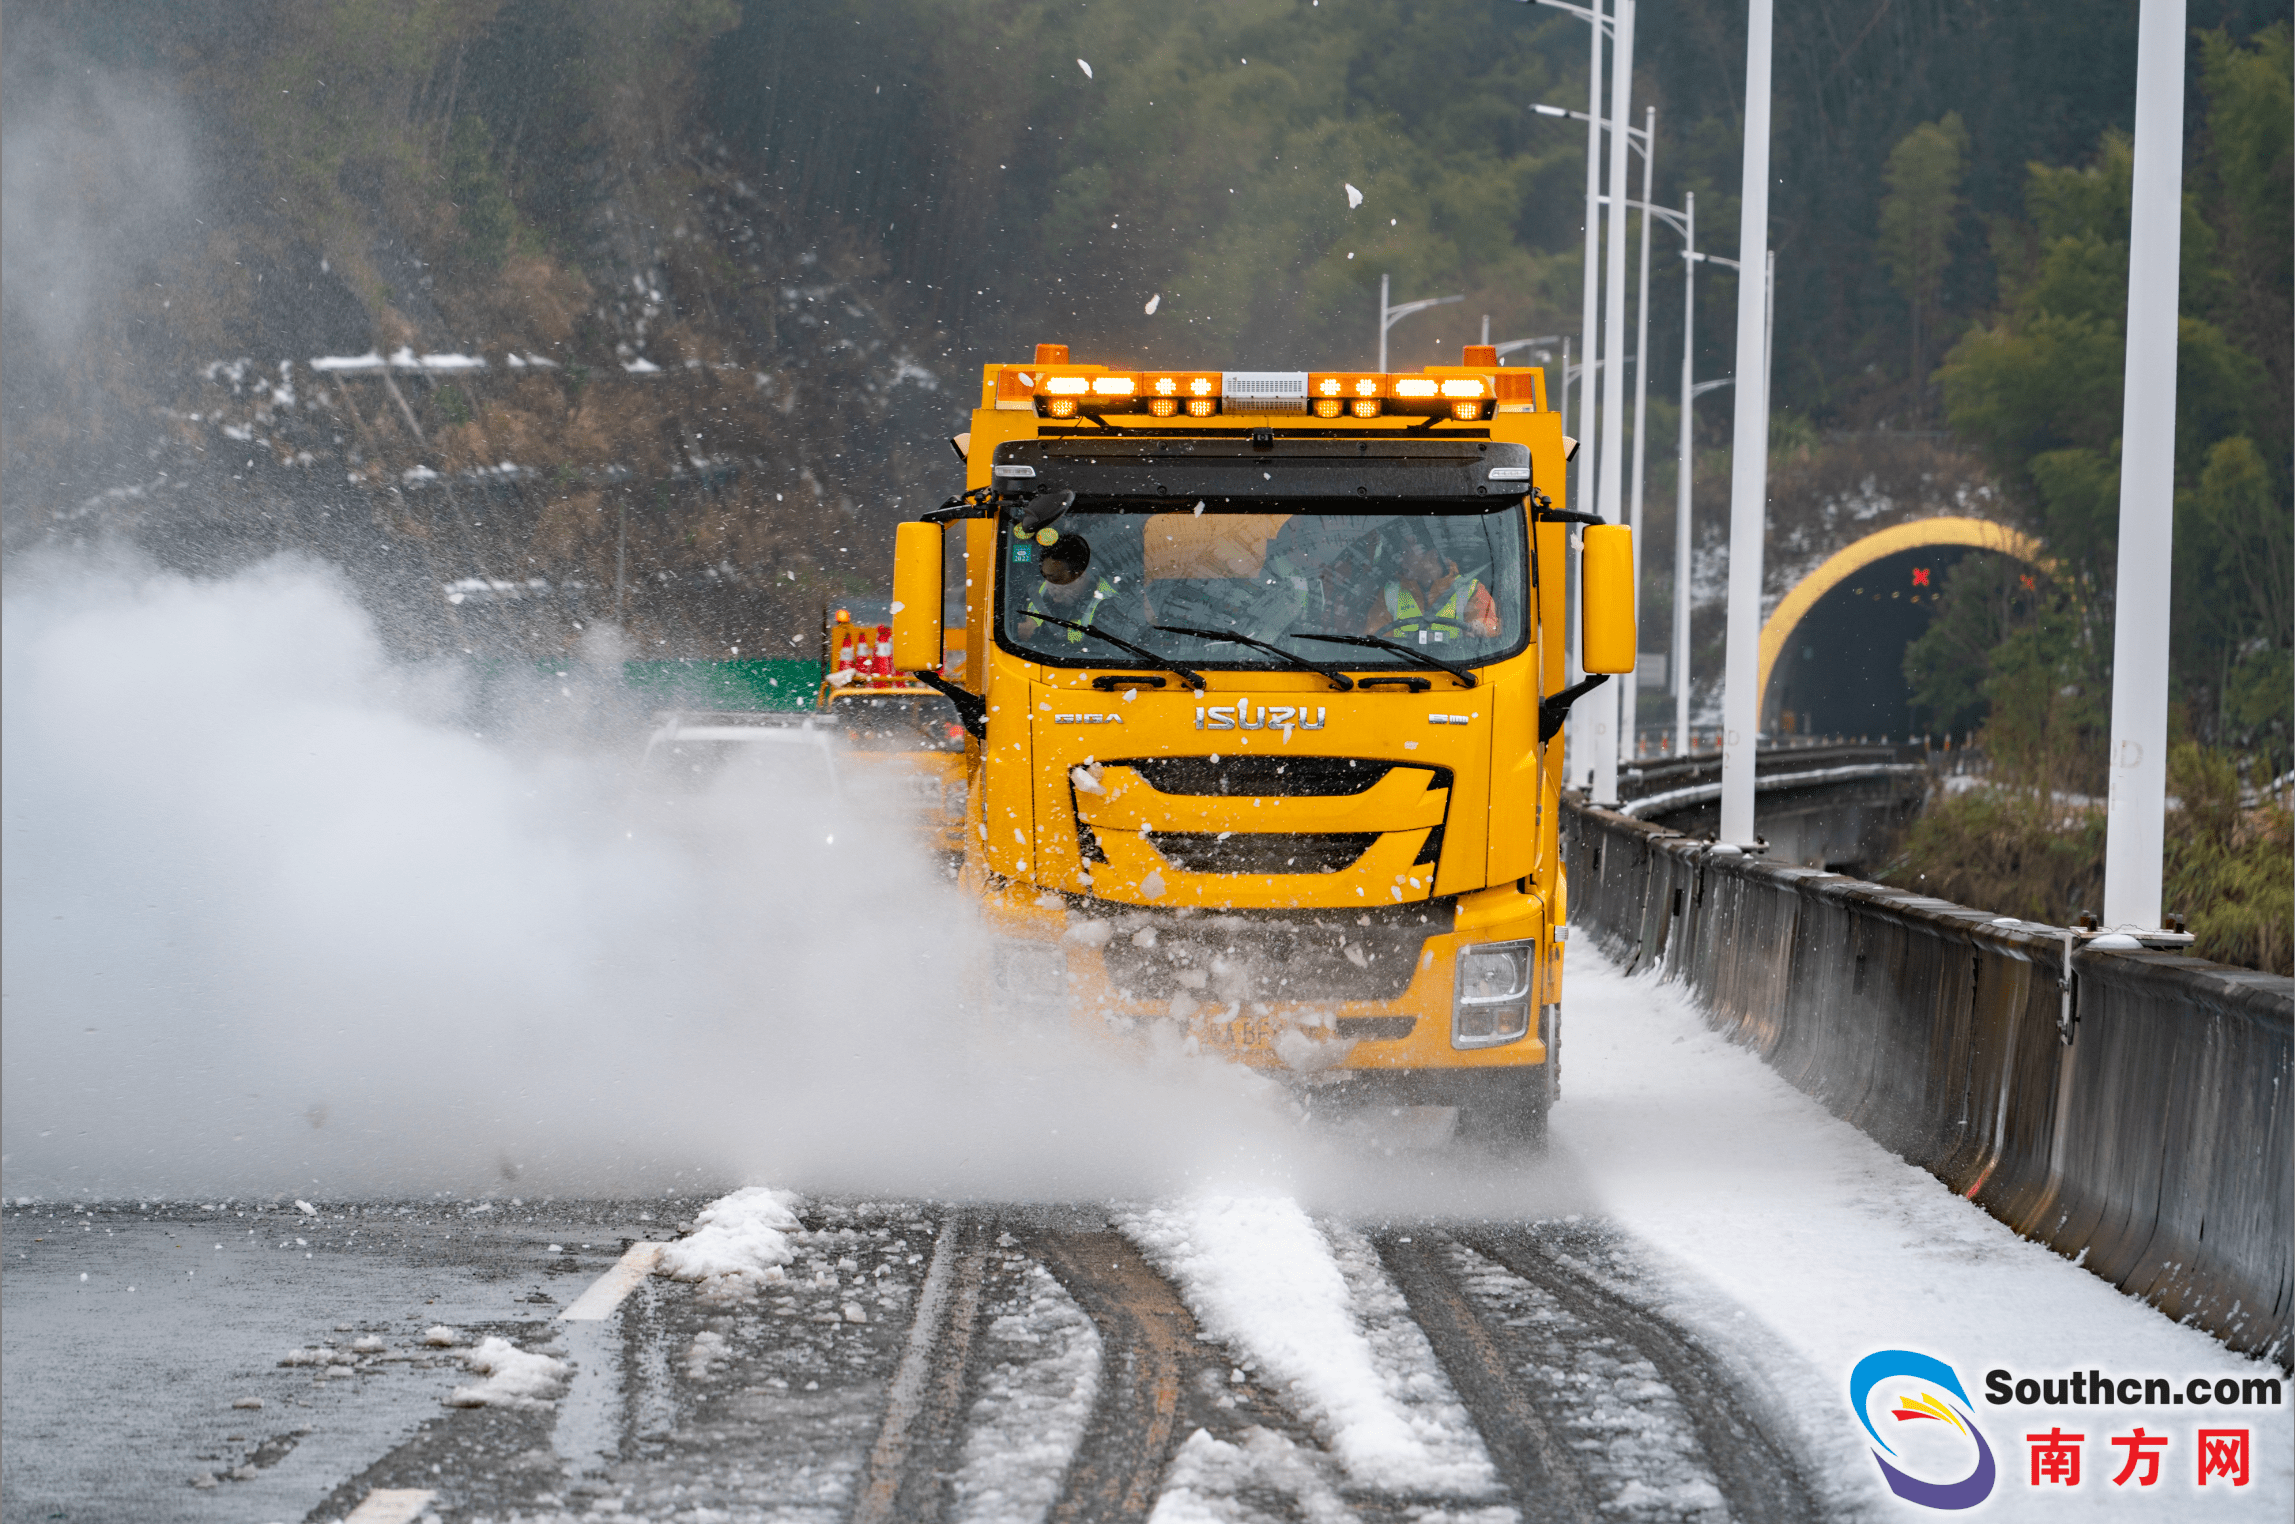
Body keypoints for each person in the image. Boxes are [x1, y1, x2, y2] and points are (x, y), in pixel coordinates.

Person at [1373, 527, 1498, 643]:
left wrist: (1479, 627)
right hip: (1400, 665)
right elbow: (1373, 645)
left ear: (1432, 555)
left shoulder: (1472, 589)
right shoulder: (1389, 594)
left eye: (1406, 552)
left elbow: (1488, 624)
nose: (1401, 559)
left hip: (1458, 664)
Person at [1016, 531, 1129, 646]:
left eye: (1054, 578)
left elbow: (1095, 655)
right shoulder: (1048, 586)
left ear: (1080, 577)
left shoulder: (1107, 610)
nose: (1048, 586)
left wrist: (1036, 636)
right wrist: (1028, 627)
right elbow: (1031, 619)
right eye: (1045, 577)